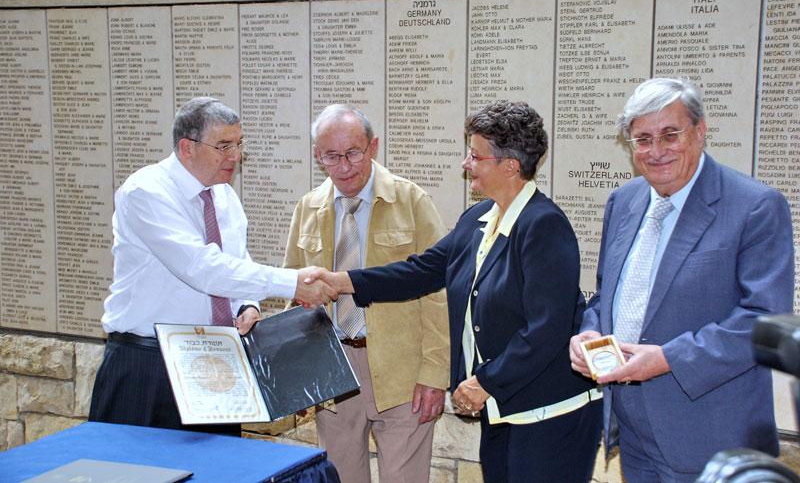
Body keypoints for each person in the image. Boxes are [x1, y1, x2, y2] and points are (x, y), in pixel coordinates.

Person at [309, 101, 603, 483]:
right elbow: (423, 270)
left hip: (547, 413)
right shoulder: (478, 218)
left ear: (509, 166)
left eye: (476, 155)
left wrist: (484, 382)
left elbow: (546, 328)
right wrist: (344, 282)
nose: (466, 163)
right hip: (502, 408)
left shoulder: (544, 225)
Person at [569, 77, 794, 482]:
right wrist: (589, 333)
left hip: (711, 439)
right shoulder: (624, 202)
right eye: (642, 139)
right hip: (635, 436)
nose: (656, 152)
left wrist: (668, 359)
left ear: (700, 130)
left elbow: (764, 320)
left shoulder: (755, 207)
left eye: (670, 135)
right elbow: (608, 296)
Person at [89, 97, 336, 435]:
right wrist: (291, 283)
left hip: (215, 360)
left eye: (238, 144)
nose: (235, 156)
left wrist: (246, 304)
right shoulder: (145, 191)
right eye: (223, 146)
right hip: (149, 365)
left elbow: (234, 262)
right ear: (187, 148)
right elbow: (201, 267)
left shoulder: (223, 195)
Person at [283, 104, 449, 483]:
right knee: (341, 477)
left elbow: (438, 292)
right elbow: (293, 293)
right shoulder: (308, 208)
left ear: (373, 147)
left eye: (353, 152)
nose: (344, 166)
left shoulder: (411, 201)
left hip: (402, 370)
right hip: (334, 370)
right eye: (331, 156)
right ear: (317, 156)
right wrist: (300, 374)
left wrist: (434, 373)